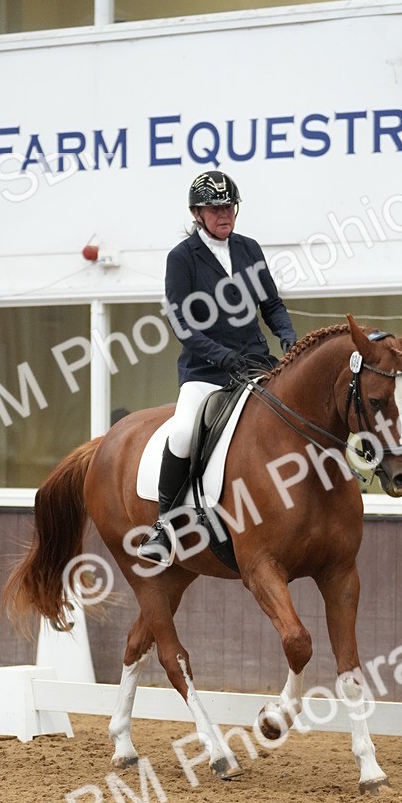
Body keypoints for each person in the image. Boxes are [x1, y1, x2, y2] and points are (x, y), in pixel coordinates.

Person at [138, 170, 297, 565]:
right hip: (206, 372)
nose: (224, 214)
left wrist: (289, 338)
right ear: (197, 213)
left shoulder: (249, 249)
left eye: (229, 206)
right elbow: (182, 324)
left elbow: (271, 305)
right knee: (184, 432)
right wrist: (221, 356)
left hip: (257, 364)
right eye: (215, 208)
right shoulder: (182, 258)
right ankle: (164, 524)